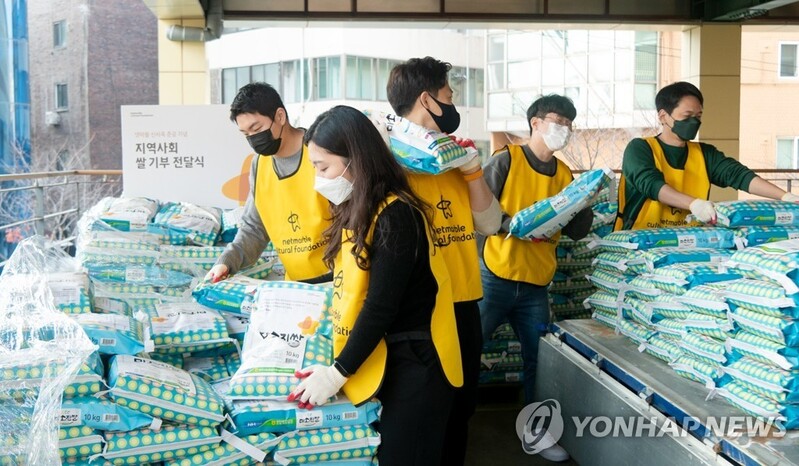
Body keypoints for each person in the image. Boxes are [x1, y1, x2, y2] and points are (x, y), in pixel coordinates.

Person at [287, 105, 463, 466]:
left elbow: (380, 305)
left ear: (356, 161)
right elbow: (349, 281)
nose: (319, 178)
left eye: (324, 167)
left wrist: (338, 372)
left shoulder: (396, 214)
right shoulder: (360, 208)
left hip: (419, 363)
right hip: (389, 356)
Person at [386, 56, 501, 465]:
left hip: (464, 299)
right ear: (428, 100)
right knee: (421, 415)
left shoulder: (456, 157)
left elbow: (490, 222)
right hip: (418, 312)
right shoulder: (389, 162)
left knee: (460, 409)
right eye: (449, 96)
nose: (454, 105)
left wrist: (472, 172)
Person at [480, 94, 593, 463]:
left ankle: (538, 433)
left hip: (535, 284)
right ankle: (450, 424)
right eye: (558, 121)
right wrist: (513, 224)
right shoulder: (506, 161)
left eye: (569, 125)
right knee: (465, 354)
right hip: (494, 277)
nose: (565, 130)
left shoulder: (563, 175)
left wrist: (586, 199)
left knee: (539, 363)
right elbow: (478, 210)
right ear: (536, 123)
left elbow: (576, 230)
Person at [615, 81, 799, 231]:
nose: (694, 122)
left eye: (698, 116)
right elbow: (651, 185)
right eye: (687, 116)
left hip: (690, 240)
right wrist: (694, 204)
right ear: (663, 116)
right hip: (641, 239)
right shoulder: (640, 149)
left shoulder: (704, 154)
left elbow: (739, 175)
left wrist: (785, 197)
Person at [205, 82, 331, 283]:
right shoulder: (260, 165)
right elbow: (254, 227)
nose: (254, 139)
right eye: (246, 134)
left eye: (257, 128)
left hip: (338, 280)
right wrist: (227, 262)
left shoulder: (319, 151)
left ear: (280, 116)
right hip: (296, 284)